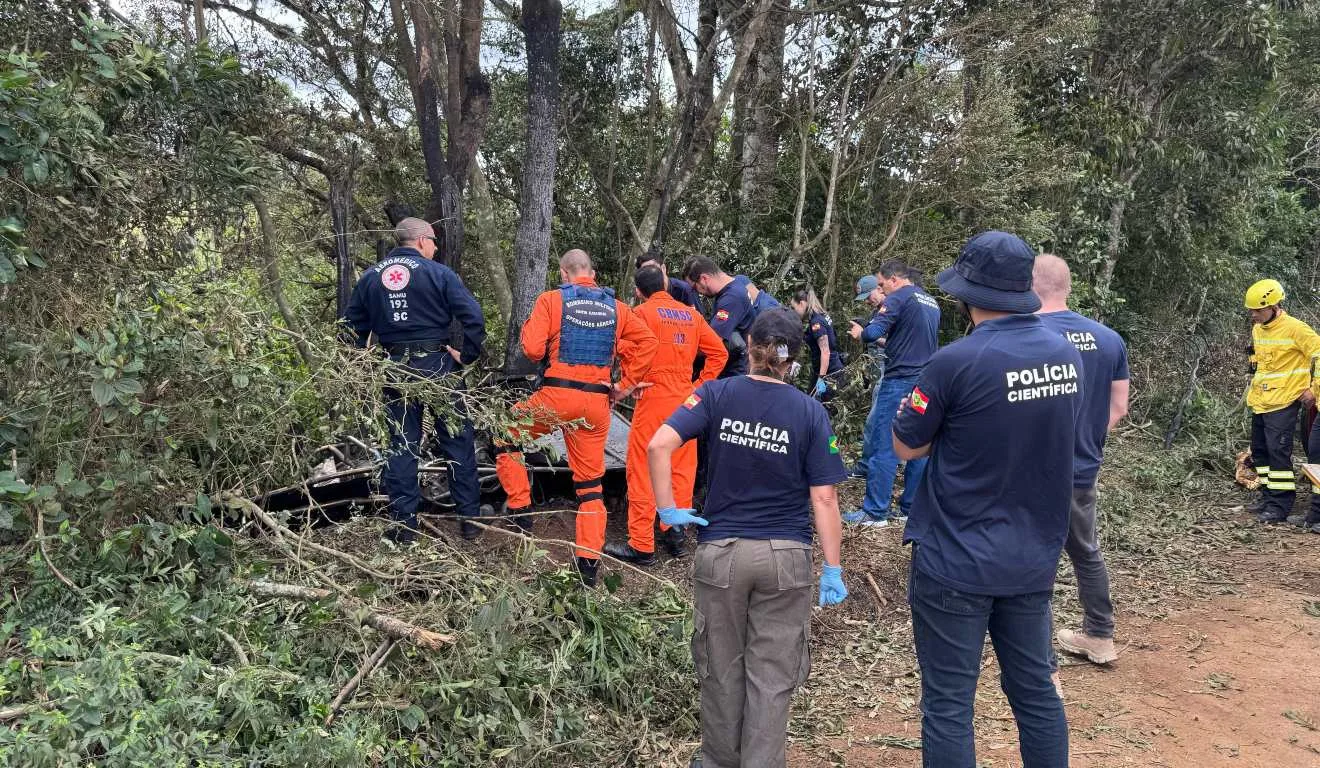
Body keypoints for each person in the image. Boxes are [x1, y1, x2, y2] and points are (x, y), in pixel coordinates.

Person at [893, 230, 1081, 768]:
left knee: (949, 705)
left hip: (956, 559)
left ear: (969, 294)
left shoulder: (955, 362)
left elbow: (906, 444)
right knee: (1036, 694)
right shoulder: (1065, 355)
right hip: (1033, 558)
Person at [647, 308, 848, 768]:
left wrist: (667, 508)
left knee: (721, 667)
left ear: (749, 347)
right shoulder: (810, 411)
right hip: (786, 558)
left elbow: (659, 444)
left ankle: (717, 762)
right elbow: (825, 499)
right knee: (772, 675)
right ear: (794, 359)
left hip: (722, 553)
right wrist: (833, 567)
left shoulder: (715, 394)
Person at [494, 249, 657, 586]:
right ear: (592, 272)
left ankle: (521, 510)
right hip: (597, 404)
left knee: (505, 433)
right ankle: (588, 567)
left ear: (563, 273)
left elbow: (532, 350)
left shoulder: (552, 300)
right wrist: (624, 387)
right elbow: (649, 341)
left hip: (556, 397)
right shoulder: (617, 308)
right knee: (590, 487)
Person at [343, 217, 487, 545]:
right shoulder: (439, 274)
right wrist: (466, 355)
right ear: (422, 241)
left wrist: (359, 363)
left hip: (395, 368)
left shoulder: (370, 277)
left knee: (401, 445)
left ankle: (404, 525)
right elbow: (473, 316)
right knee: (457, 440)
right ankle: (470, 521)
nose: (435, 248)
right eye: (434, 242)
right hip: (438, 366)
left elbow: (349, 327)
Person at [1034, 253, 1130, 666]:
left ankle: (1028, 645)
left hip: (1030, 468)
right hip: (1082, 468)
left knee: (1031, 550)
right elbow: (1120, 407)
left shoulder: (1028, 334)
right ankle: (1099, 634)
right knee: (1085, 550)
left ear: (1029, 285)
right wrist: (1085, 439)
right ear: (1067, 285)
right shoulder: (1109, 339)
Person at [606, 265, 727, 565]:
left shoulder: (640, 314)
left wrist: (631, 380)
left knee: (643, 468)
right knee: (681, 470)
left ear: (637, 291)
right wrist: (698, 387)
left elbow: (621, 347)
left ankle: (642, 545)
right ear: (666, 283)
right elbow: (719, 354)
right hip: (685, 403)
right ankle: (675, 533)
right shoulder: (691, 314)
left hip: (653, 399)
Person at [844, 260, 941, 526]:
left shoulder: (899, 297)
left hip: (899, 380)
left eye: (882, 283)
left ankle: (875, 512)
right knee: (917, 445)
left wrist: (861, 332)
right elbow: (911, 339)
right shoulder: (930, 301)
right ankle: (910, 507)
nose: (881, 289)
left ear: (895, 279)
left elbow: (873, 332)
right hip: (925, 382)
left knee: (884, 443)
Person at [1242, 278, 1320, 524]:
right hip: (1261, 400)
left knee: (1278, 453)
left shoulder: (1296, 329)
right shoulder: (1258, 329)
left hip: (1285, 400)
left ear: (1273, 306)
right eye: (1251, 310)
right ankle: (1267, 496)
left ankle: (1280, 504)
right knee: (1261, 452)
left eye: (1258, 310)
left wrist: (1314, 390)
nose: (1253, 315)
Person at [684, 256, 753, 378]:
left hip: (732, 373)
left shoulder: (731, 298)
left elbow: (713, 341)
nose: (698, 292)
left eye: (695, 288)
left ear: (704, 278)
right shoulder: (733, 287)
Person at [850, 275, 886, 477]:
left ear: (880, 288)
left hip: (889, 370)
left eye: (868, 295)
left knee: (875, 419)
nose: (866, 300)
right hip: (877, 370)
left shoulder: (892, 311)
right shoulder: (877, 313)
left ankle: (866, 466)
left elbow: (893, 342)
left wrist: (865, 333)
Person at [789, 286, 846, 401]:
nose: (794, 312)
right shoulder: (821, 316)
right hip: (826, 370)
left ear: (801, 303)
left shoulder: (816, 322)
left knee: (819, 406)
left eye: (794, 308)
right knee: (810, 401)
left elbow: (825, 352)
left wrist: (821, 378)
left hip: (830, 373)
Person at [637, 250, 701, 309]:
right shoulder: (645, 291)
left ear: (663, 268)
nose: (649, 273)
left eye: (652, 268)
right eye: (645, 271)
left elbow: (698, 316)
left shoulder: (684, 289)